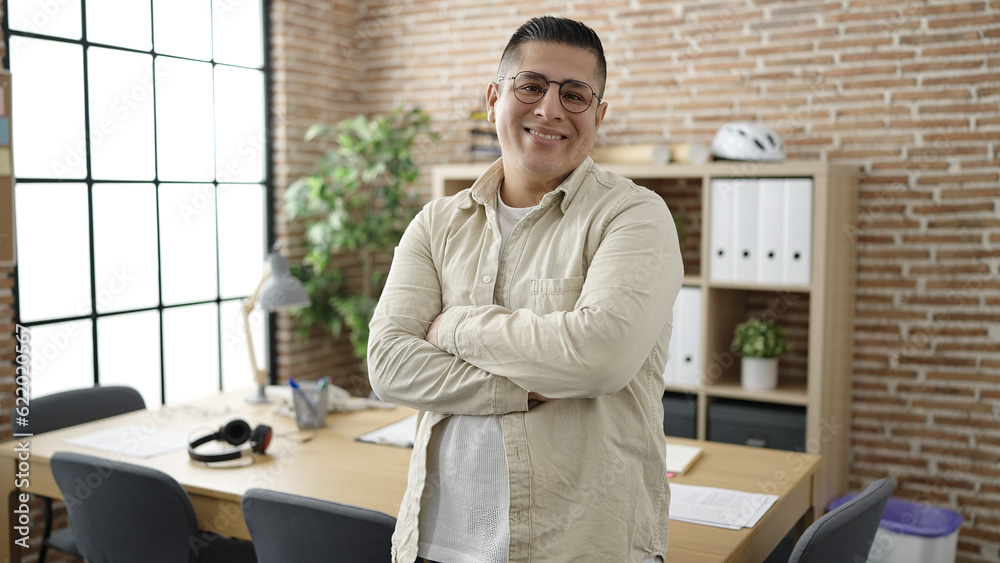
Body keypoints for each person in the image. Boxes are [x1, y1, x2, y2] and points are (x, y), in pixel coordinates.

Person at [368, 15, 683, 563]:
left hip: (582, 547)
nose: (550, 109)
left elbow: (599, 358)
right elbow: (390, 364)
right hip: (436, 544)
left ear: (599, 115)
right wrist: (520, 389)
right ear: (494, 98)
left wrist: (454, 325)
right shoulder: (436, 223)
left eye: (576, 95)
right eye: (531, 86)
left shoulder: (634, 216)